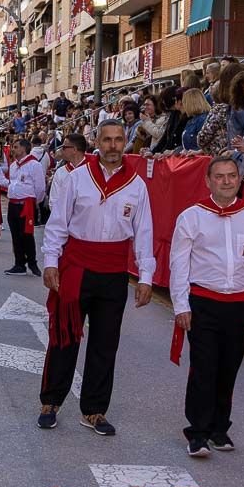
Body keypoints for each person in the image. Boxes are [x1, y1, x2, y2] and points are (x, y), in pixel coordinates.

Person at [39, 119, 155, 435]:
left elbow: (144, 233)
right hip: (75, 267)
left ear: (124, 142)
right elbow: (58, 223)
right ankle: (50, 401)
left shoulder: (137, 185)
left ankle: (94, 410)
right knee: (64, 336)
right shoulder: (77, 180)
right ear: (97, 143)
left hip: (113, 272)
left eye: (119, 140)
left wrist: (146, 276)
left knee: (105, 343)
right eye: (107, 140)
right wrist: (51, 261)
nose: (113, 146)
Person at [170, 155, 244, 457]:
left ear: (240, 179)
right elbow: (179, 264)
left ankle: (219, 429)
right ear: (208, 181)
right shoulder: (191, 217)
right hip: (203, 302)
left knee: (229, 367)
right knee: (204, 367)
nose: (227, 181)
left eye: (232, 175)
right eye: (220, 176)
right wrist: (180, 305)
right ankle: (198, 432)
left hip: (238, 305)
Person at [4, 138, 45, 276]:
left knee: (27, 235)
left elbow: (40, 188)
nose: (13, 149)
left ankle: (32, 262)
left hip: (26, 204)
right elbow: (12, 182)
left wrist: (34, 202)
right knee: (16, 235)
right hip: (13, 204)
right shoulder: (13, 165)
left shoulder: (34, 165)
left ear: (24, 148)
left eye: (15, 147)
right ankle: (19, 264)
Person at [48, 133, 87, 211]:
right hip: (67, 221)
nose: (61, 149)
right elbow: (53, 202)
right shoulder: (60, 172)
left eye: (64, 147)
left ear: (74, 150)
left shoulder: (94, 169)